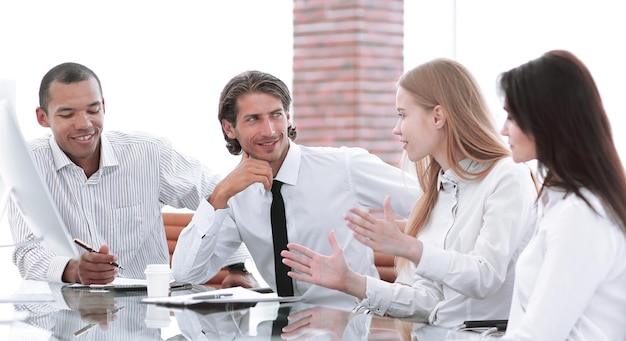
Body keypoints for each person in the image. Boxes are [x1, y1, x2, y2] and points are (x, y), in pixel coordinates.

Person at [281, 58, 538, 327]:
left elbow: (484, 277)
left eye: (403, 114)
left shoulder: (507, 176)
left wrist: (410, 247)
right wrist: (351, 281)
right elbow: (429, 303)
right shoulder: (439, 191)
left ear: (437, 116)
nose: (396, 128)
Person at [171, 70, 420, 307]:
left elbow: (431, 204)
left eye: (276, 115)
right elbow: (186, 273)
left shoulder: (345, 168)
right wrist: (218, 197)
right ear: (229, 128)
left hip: (348, 324)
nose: (269, 130)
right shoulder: (235, 195)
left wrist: (412, 277)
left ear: (288, 116)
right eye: (253, 119)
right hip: (280, 326)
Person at [9, 62, 257, 287]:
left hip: (145, 315)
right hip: (66, 321)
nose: (84, 124)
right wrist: (72, 269)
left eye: (93, 110)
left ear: (104, 106)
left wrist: (237, 266)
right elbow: (25, 251)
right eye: (67, 114)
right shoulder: (27, 164)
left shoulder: (148, 153)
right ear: (43, 118)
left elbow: (224, 196)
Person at [497, 50, 626, 340]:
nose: (502, 129)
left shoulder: (581, 214)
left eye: (511, 117)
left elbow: (538, 335)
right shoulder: (560, 203)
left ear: (545, 121)